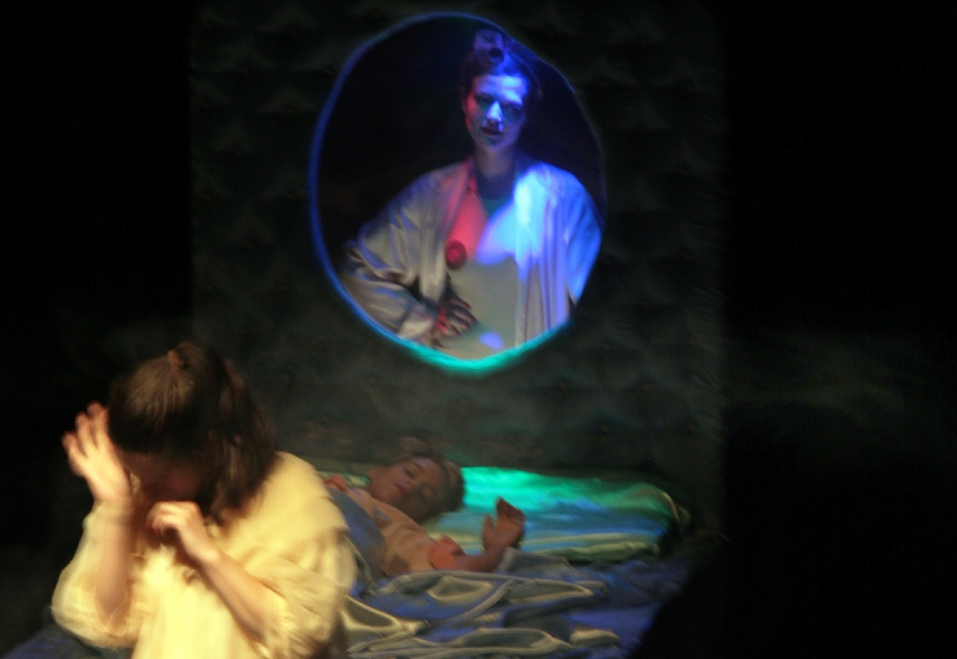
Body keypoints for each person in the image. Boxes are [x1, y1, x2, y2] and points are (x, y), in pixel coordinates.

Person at [50, 342, 355, 659]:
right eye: (136, 473)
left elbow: (298, 638)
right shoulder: (140, 493)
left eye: (162, 476)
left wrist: (208, 556)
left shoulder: (293, 494)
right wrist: (117, 510)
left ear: (210, 449)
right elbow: (109, 623)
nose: (148, 491)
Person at [340, 29, 602, 359]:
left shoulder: (563, 197)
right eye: (484, 100)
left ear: (527, 115)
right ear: (464, 99)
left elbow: (600, 302)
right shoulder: (431, 195)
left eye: (510, 107)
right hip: (445, 380)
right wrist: (424, 320)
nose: (494, 117)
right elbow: (357, 269)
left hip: (527, 385)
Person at [322, 440, 525, 577]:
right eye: (410, 472)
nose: (413, 486)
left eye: (424, 496)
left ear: (422, 516)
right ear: (376, 471)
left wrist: (496, 550)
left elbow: (450, 568)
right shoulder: (324, 484)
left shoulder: (400, 530)